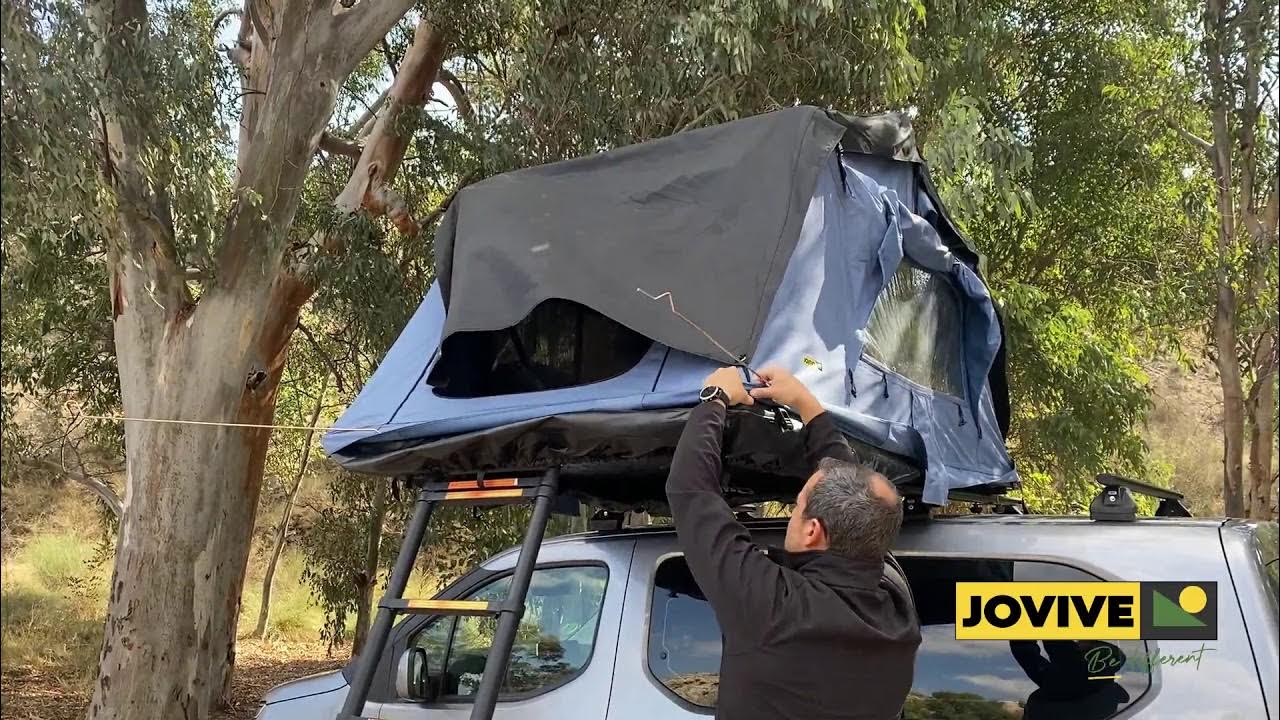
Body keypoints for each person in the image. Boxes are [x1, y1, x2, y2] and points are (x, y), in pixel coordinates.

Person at [666, 365, 921, 719]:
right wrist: (806, 405)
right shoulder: (897, 613)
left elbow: (691, 492)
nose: (793, 512)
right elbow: (859, 497)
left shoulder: (777, 611)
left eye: (796, 505)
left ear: (813, 530)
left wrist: (715, 397)